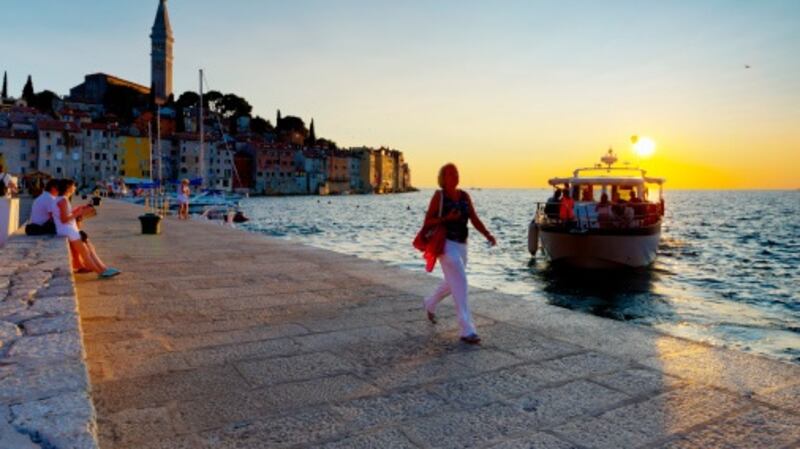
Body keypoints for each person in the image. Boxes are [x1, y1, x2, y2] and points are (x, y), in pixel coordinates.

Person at [423, 163, 496, 345]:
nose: (455, 176)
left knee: (452, 282)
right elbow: (428, 221)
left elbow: (474, 218)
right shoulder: (439, 196)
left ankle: (430, 303)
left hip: (463, 245)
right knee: (461, 282)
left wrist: (487, 234)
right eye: (450, 174)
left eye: (456, 173)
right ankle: (467, 329)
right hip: (446, 245)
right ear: (443, 178)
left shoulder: (464, 196)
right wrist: (446, 218)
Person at [55, 179, 120, 278]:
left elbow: (65, 215)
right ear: (68, 187)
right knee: (85, 253)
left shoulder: (61, 199)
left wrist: (77, 210)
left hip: (69, 229)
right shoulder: (63, 200)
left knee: (87, 251)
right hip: (68, 230)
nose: (75, 188)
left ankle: (103, 270)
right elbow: (64, 219)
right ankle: (101, 272)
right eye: (73, 186)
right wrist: (79, 213)